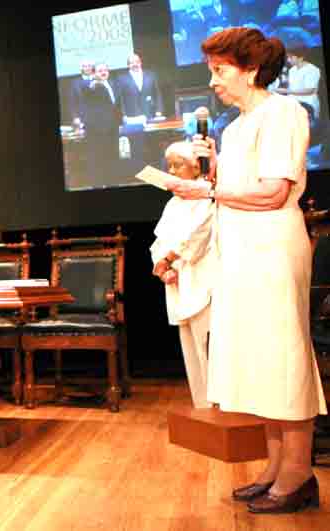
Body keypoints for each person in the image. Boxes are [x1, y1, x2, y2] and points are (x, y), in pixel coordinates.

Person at [167, 27, 326, 514]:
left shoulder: (284, 113)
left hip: (272, 248)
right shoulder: (234, 128)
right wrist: (213, 173)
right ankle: (276, 465)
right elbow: (236, 190)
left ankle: (299, 473)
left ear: (251, 70)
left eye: (220, 70)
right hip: (239, 252)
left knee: (283, 356)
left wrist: (207, 190)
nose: (212, 81)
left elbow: (274, 192)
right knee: (258, 360)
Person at [150, 142, 215, 409]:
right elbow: (159, 241)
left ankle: (219, 410)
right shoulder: (173, 204)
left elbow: (198, 237)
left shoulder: (207, 197)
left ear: (196, 167)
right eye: (170, 166)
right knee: (190, 350)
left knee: (208, 348)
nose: (172, 171)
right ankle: (202, 409)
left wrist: (168, 260)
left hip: (200, 279)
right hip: (177, 281)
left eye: (178, 165)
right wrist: (161, 266)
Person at [82, 63, 122, 184]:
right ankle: (99, 184)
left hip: (113, 127)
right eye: (100, 71)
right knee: (99, 158)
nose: (103, 72)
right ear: (94, 73)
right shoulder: (92, 85)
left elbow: (117, 105)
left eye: (105, 70)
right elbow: (87, 91)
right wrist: (93, 83)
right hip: (98, 130)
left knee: (113, 156)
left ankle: (113, 183)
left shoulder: (113, 84)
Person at [275, 47, 321, 120]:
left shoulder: (312, 69)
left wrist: (286, 91)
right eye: (288, 57)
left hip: (307, 103)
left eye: (291, 57)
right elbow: (292, 87)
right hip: (293, 102)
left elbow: (310, 90)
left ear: (300, 58)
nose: (288, 60)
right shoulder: (292, 70)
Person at [116, 53, 164, 123]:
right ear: (128, 65)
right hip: (132, 117)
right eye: (132, 63)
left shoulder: (151, 75)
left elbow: (157, 94)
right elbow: (121, 99)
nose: (135, 64)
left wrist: (159, 110)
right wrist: (124, 115)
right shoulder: (121, 79)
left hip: (150, 114)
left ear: (141, 63)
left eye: (137, 62)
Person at [68, 60, 94, 127]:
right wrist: (75, 117)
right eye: (84, 66)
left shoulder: (98, 80)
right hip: (82, 118)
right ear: (81, 68)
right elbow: (72, 102)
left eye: (89, 66)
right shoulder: (75, 83)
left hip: (98, 117)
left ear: (92, 67)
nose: (87, 68)